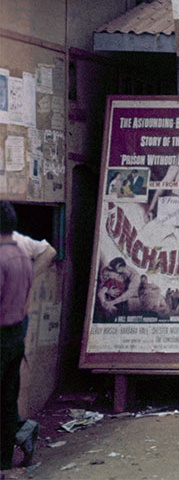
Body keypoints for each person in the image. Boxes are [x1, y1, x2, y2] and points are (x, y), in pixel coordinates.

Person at [1, 201, 38, 469]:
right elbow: (25, 299)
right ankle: (3, 461)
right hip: (15, 337)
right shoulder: (23, 256)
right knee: (6, 403)